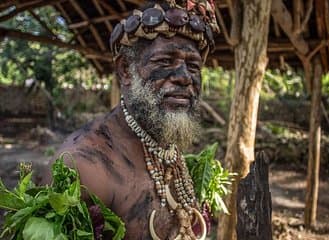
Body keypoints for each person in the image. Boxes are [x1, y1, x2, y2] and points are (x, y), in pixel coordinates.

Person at [43, 0, 219, 239]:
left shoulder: (165, 145)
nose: (184, 78)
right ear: (126, 70)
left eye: (193, 66)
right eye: (165, 61)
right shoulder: (85, 169)